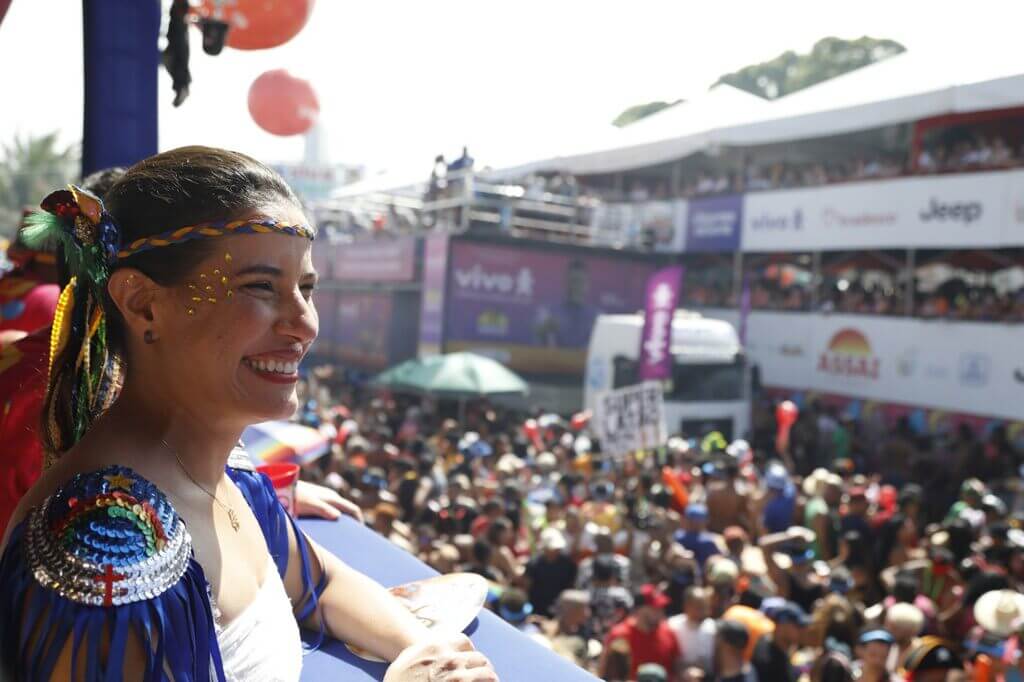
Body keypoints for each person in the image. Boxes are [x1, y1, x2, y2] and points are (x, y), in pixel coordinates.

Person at [0, 147, 498, 681]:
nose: (304, 324)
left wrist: (430, 652)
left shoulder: (225, 474)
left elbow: (321, 582)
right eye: (261, 286)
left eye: (306, 289)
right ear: (142, 303)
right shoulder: (109, 547)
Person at [601, 584, 681, 681]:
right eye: (655, 608)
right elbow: (606, 673)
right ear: (640, 609)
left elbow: (677, 668)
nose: (661, 612)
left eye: (661, 608)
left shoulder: (668, 632)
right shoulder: (619, 635)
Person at [525, 527, 578, 617]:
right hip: (537, 608)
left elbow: (571, 586)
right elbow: (527, 586)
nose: (556, 551)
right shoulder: (533, 564)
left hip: (560, 609)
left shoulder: (568, 564)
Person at [751, 601, 809, 682]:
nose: (802, 631)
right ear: (782, 626)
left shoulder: (776, 646)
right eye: (798, 626)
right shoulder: (767, 659)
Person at [668, 586, 717, 671]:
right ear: (686, 606)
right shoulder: (672, 626)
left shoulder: (713, 627)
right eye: (699, 606)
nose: (705, 611)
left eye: (706, 606)